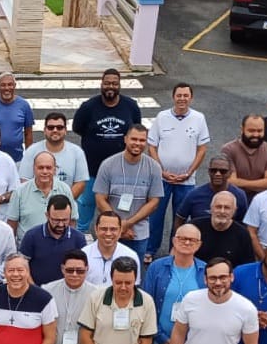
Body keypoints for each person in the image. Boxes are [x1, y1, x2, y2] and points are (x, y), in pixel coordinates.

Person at [73, 68, 143, 232]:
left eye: (114, 83)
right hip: (92, 171)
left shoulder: (131, 106)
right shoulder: (88, 107)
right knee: (85, 209)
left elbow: (136, 131)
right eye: (107, 83)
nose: (110, 86)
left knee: (118, 211)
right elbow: (78, 128)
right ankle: (79, 240)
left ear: (119, 85)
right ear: (101, 84)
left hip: (121, 171)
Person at [146, 83, 210, 259]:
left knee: (180, 218)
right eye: (179, 95)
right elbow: (152, 146)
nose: (182, 99)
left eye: (186, 95)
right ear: (173, 97)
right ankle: (150, 250)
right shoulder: (162, 117)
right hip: (162, 179)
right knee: (156, 217)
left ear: (191, 98)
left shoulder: (199, 118)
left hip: (186, 181)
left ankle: (174, 252)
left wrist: (189, 172)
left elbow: (202, 149)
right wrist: (161, 171)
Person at [93, 124, 164, 246]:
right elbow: (100, 200)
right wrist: (118, 226)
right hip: (109, 232)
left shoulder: (154, 167)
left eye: (142, 140)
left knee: (136, 265)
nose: (137, 143)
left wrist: (128, 224)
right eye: (134, 139)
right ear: (125, 139)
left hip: (138, 234)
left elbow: (154, 203)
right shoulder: (108, 164)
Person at [20, 195, 87, 286]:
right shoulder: (32, 236)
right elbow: (22, 266)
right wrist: (35, 290)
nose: (60, 224)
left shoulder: (78, 238)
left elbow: (82, 269)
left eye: (65, 220)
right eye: (56, 220)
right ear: (47, 215)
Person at [21, 112, 88, 201]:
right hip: (35, 203)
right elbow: (25, 181)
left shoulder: (77, 152)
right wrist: (40, 203)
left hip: (66, 207)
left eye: (59, 127)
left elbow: (80, 183)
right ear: (45, 130)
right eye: (50, 127)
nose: (55, 130)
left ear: (65, 131)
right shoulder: (31, 151)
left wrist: (64, 203)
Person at [8, 151, 77, 235]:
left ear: (55, 169)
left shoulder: (65, 189)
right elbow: (12, 223)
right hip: (28, 246)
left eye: (48, 168)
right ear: (34, 168)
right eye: (40, 168)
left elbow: (72, 220)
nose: (44, 171)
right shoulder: (20, 191)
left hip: (59, 244)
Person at [0, 72, 35, 163]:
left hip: (17, 160)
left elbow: (28, 134)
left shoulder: (24, 106)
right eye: (3, 85)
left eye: (10, 85)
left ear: (15, 86)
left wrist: (29, 158)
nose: (7, 88)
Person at [219, 114, 267, 201]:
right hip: (234, 198)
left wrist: (240, 182)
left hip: (262, 199)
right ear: (242, 129)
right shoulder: (228, 150)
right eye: (251, 130)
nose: (255, 134)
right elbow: (231, 181)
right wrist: (260, 184)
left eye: (259, 131)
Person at [175, 155, 248, 225]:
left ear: (230, 173)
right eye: (213, 170)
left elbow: (243, 223)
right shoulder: (194, 195)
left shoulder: (239, 196)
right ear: (209, 172)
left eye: (223, 171)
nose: (217, 174)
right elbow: (180, 219)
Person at [195, 191, 257, 267]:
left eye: (227, 208)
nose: (222, 211)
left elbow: (247, 266)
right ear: (211, 208)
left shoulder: (242, 234)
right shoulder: (195, 228)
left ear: (234, 211)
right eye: (218, 207)